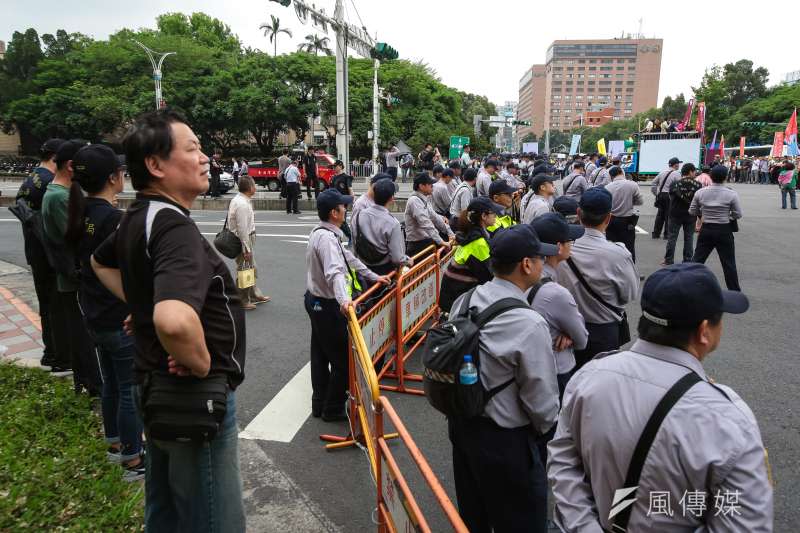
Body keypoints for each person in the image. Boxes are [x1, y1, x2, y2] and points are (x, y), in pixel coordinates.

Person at [91, 109, 247, 531]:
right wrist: (198, 362)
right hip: (192, 397)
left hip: (154, 384)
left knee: (166, 512)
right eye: (192, 149)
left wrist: (143, 308)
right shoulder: (173, 227)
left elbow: (98, 261)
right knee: (215, 520)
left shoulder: (137, 217)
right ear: (155, 166)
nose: (205, 158)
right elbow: (175, 321)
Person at [548, 263, 772, 532]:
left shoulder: (589, 378)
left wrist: (584, 525)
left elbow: (563, 458)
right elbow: (745, 525)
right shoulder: (727, 418)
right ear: (703, 331)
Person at [447, 224, 560, 533]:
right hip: (506, 442)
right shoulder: (529, 323)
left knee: (475, 516)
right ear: (526, 264)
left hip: (463, 426)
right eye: (540, 258)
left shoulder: (467, 299)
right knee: (521, 521)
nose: (542, 263)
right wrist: (544, 433)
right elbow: (542, 402)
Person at [63, 143, 144, 481]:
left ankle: (114, 444)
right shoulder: (114, 219)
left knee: (111, 382)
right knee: (129, 389)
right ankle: (132, 459)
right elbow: (133, 269)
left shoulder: (79, 212)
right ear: (113, 178)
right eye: (121, 172)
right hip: (118, 316)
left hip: (93, 313)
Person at [305, 189, 390, 420]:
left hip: (317, 301)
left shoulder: (325, 233)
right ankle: (332, 409)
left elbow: (349, 260)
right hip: (327, 304)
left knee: (321, 354)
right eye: (343, 207)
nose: (346, 209)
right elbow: (335, 273)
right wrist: (345, 303)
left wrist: (373, 276)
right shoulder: (326, 238)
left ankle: (320, 403)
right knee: (344, 360)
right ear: (334, 213)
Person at [42, 139, 102, 395]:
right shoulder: (58, 198)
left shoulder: (63, 195)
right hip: (73, 279)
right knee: (82, 338)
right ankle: (90, 385)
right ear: (70, 166)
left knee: (82, 336)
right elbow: (77, 239)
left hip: (73, 278)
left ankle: (87, 383)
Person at [557, 188, 639, 369]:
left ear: (578, 213)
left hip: (567, 329)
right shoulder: (618, 253)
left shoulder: (561, 250)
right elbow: (630, 294)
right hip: (604, 331)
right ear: (609, 218)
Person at [15, 138, 63, 369]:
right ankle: (58, 353)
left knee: (46, 304)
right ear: (55, 158)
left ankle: (51, 352)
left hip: (35, 251)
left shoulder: (32, 178)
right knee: (56, 305)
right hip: (48, 254)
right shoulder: (48, 183)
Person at [529, 213, 587, 398]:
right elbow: (581, 340)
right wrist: (567, 332)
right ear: (559, 247)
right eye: (570, 240)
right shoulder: (555, 293)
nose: (572, 244)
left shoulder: (526, 275)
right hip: (556, 370)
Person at [438, 197, 500, 314]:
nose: (496, 216)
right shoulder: (478, 243)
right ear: (484, 216)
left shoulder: (470, 235)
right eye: (493, 213)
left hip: (452, 299)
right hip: (460, 303)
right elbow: (487, 278)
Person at [690, 165, 744, 291]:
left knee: (697, 260)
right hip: (724, 230)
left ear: (711, 176)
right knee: (728, 263)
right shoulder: (731, 194)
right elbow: (738, 214)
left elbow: (692, 211)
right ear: (725, 177)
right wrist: (728, 216)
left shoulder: (700, 192)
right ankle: (734, 291)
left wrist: (703, 215)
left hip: (706, 229)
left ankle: (688, 285)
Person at [351, 179, 411, 276]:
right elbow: (397, 258)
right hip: (384, 273)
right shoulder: (392, 223)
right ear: (392, 198)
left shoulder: (359, 215)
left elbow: (354, 241)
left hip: (362, 269)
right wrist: (408, 260)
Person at [229, 176, 270, 309]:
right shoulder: (241, 204)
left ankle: (253, 294)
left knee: (250, 267)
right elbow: (242, 229)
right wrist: (246, 248)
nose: (256, 187)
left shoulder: (241, 199)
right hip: (243, 240)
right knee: (244, 269)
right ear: (250, 188)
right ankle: (242, 300)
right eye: (254, 185)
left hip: (245, 239)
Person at [404, 173, 453, 258]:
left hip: (426, 241)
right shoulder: (414, 201)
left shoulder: (425, 199)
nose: (432, 186)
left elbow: (435, 218)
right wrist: (441, 242)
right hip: (417, 245)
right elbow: (426, 223)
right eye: (430, 184)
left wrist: (450, 233)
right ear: (421, 186)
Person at [663, 163, 703, 265]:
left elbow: (670, 197)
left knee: (672, 237)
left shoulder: (674, 184)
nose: (695, 174)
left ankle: (668, 259)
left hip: (675, 213)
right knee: (689, 238)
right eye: (694, 171)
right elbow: (699, 201)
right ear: (690, 171)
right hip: (690, 214)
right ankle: (687, 260)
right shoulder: (698, 185)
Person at [604, 165, 643, 262]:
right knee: (629, 248)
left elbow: (605, 204)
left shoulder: (607, 187)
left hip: (611, 220)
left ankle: (613, 270)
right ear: (622, 173)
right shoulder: (632, 185)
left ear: (611, 176)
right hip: (627, 220)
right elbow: (640, 202)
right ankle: (630, 271)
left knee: (611, 247)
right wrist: (629, 201)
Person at [651, 157, 682, 239]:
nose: (679, 165)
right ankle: (667, 234)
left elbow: (653, 183)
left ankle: (656, 234)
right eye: (678, 164)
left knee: (660, 215)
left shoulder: (662, 172)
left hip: (661, 195)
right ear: (675, 165)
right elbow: (679, 187)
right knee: (669, 215)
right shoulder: (677, 174)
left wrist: (656, 193)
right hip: (669, 196)